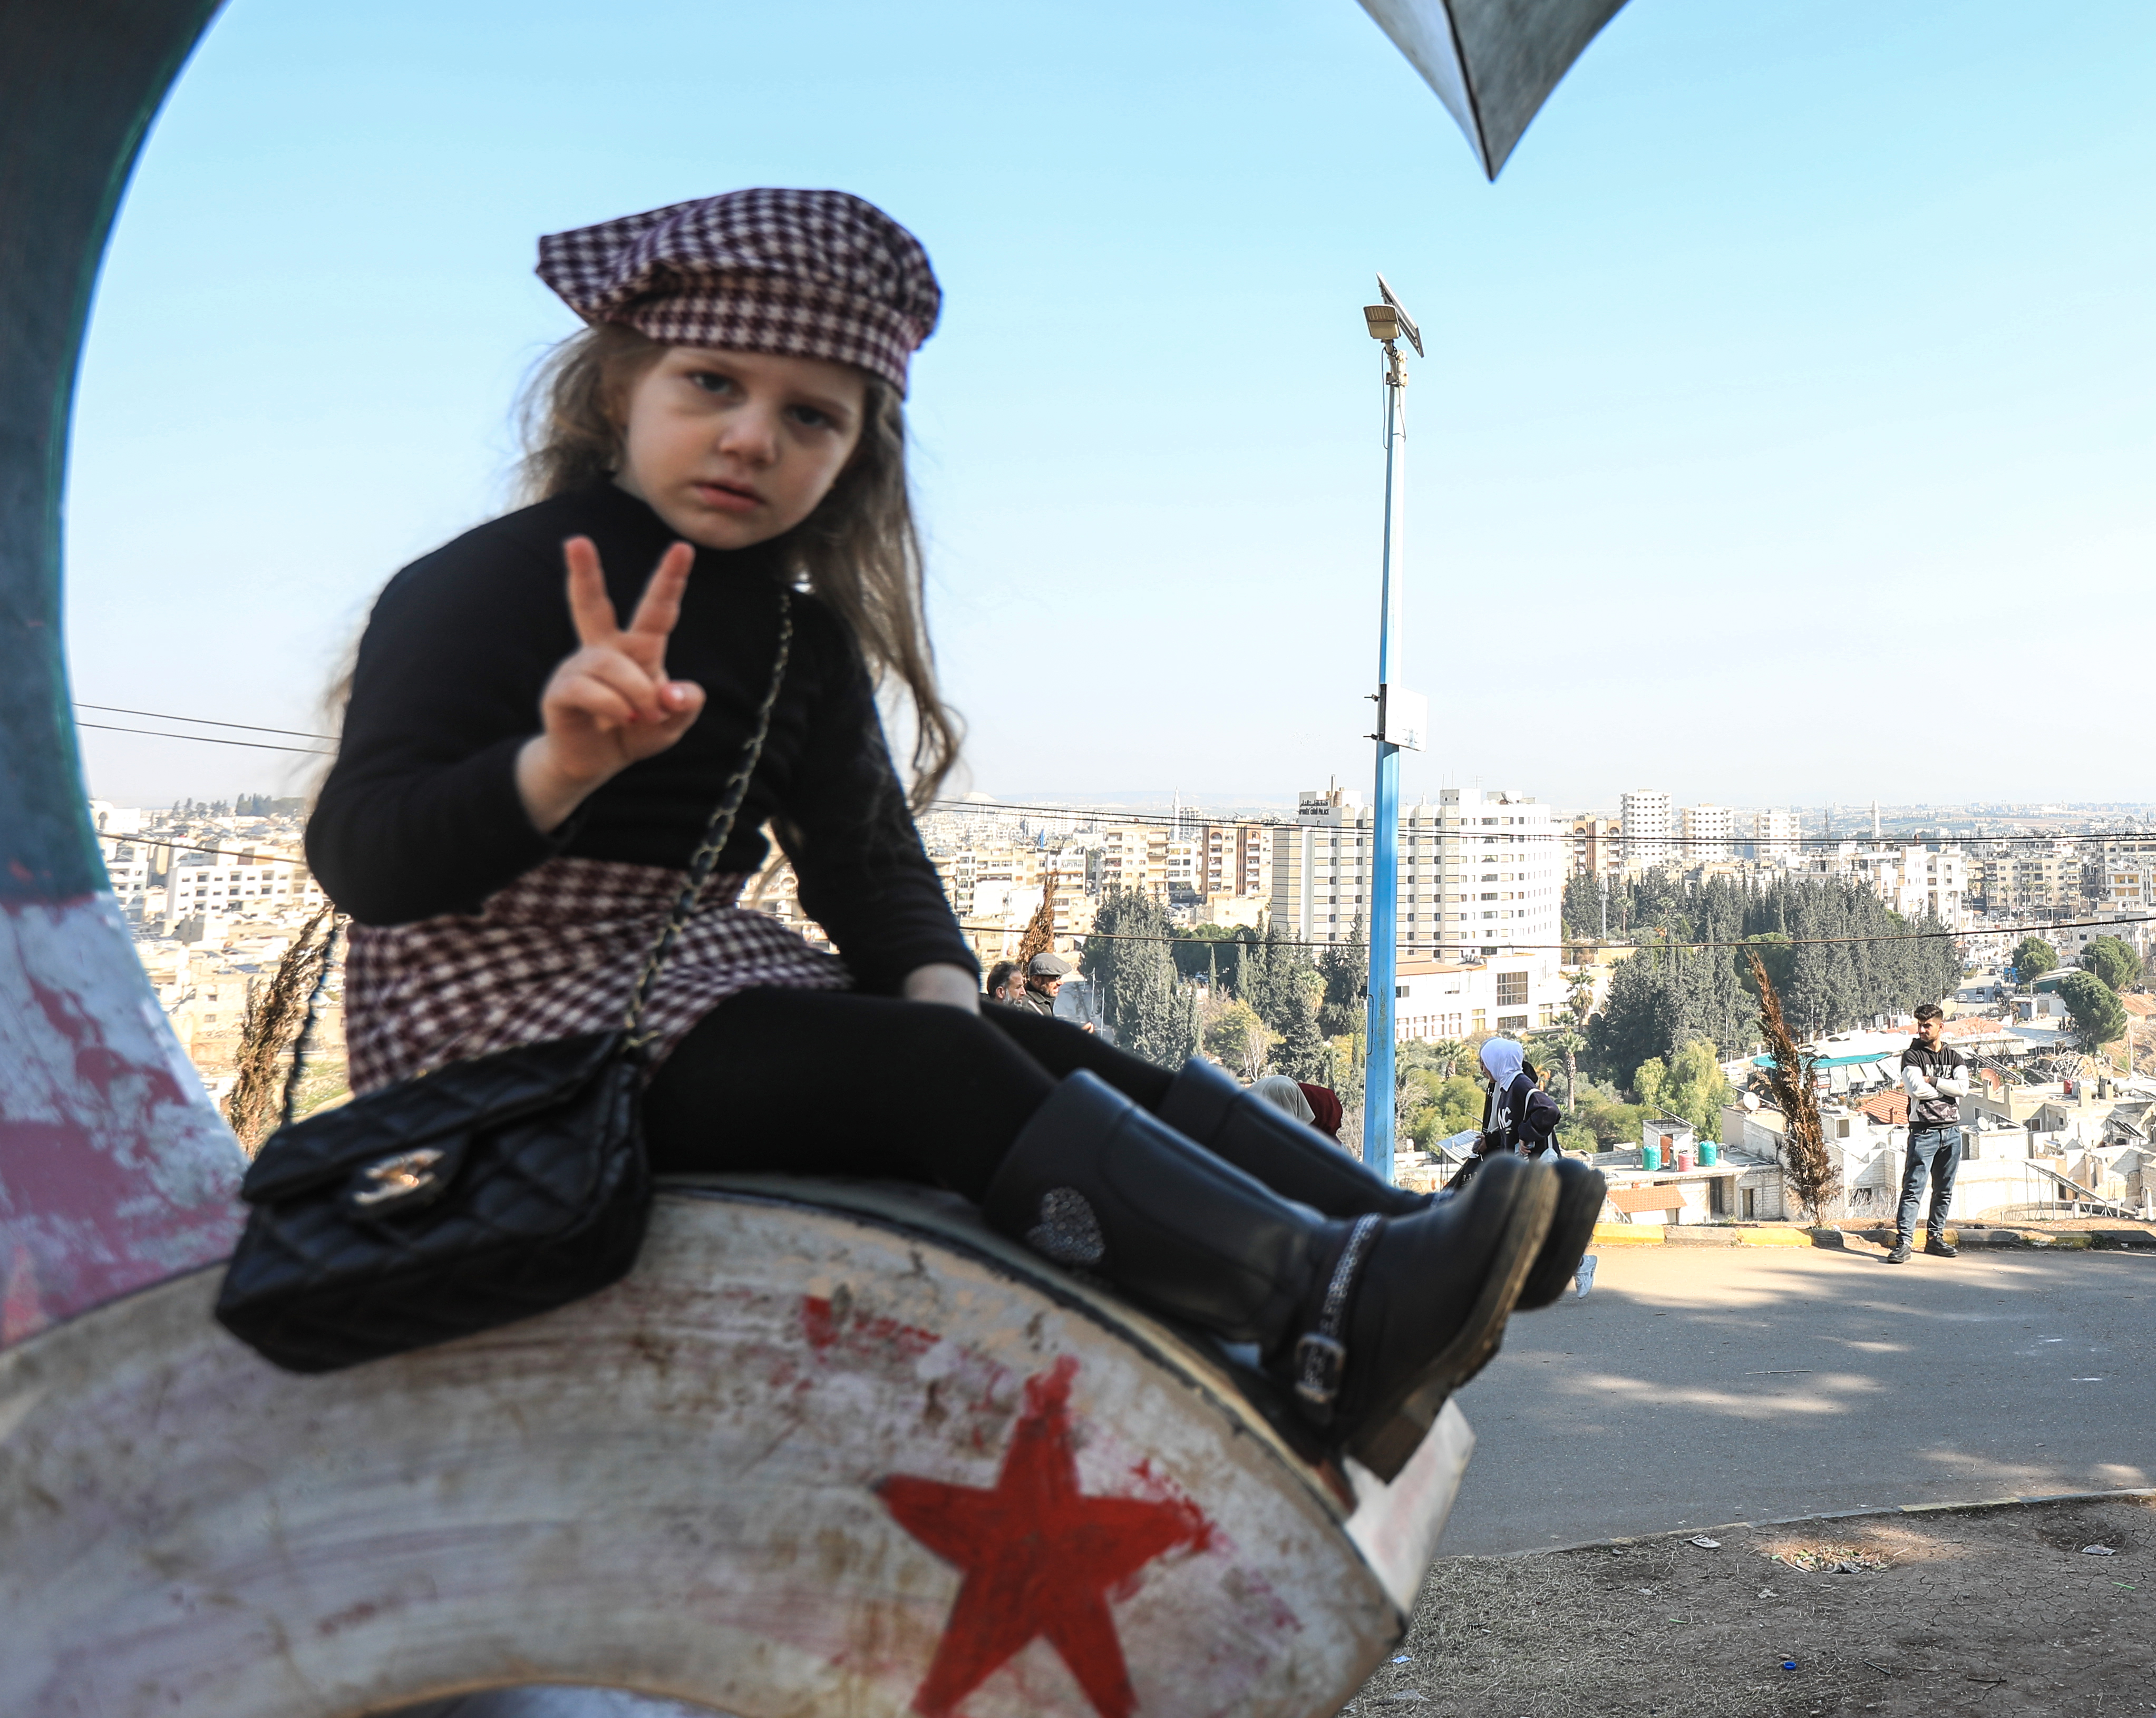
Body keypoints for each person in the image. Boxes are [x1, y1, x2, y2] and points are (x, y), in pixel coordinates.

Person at [304, 188, 1596, 1465]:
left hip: (678, 987)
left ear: (855, 453)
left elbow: (871, 869)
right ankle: (1327, 1307)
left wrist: (940, 994)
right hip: (500, 1029)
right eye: (711, 384)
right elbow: (366, 859)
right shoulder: (483, 585)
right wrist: (552, 767)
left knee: (1030, 1047)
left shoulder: (796, 636)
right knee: (934, 1074)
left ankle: (1417, 1240)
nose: (753, 436)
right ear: (616, 392)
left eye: (808, 414)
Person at [1886, 1002, 1970, 1263]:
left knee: (1944, 1190)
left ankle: (1935, 1239)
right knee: (1913, 1189)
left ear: (1940, 1027)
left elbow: (1964, 1089)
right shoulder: (1912, 1056)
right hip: (1924, 1133)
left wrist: (1933, 1081)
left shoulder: (1954, 1057)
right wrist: (1948, 1089)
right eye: (1919, 1025)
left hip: (1951, 1133)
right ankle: (1904, 1243)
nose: (1921, 1030)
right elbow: (1915, 1090)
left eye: (1927, 1025)